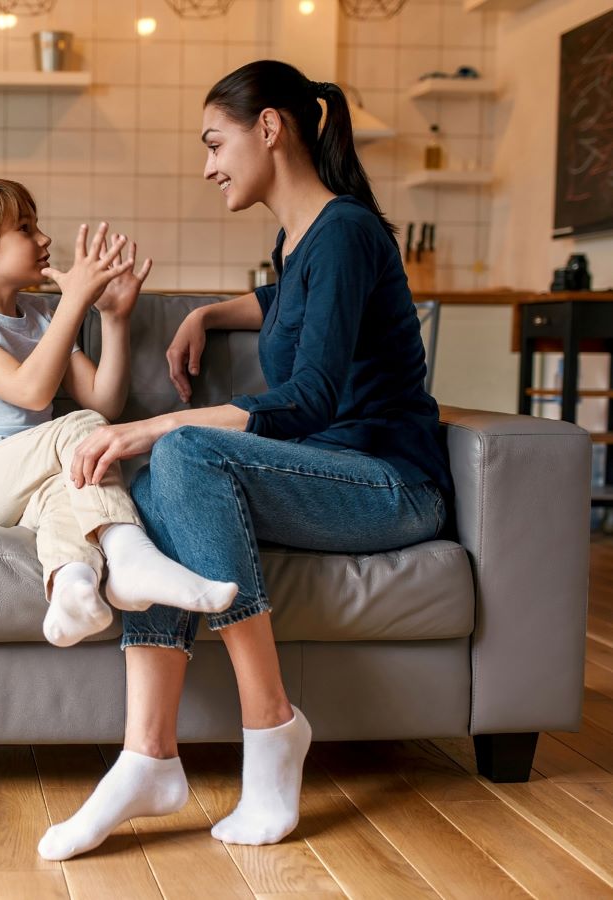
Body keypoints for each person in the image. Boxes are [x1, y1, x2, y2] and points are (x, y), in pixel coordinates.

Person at [40, 60, 452, 861]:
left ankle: (271, 728)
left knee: (181, 447)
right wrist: (209, 311)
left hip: (392, 483)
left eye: (215, 142)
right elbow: (288, 299)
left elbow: (312, 399)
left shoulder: (348, 232)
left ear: (270, 128)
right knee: (168, 475)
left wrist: (152, 423)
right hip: (333, 471)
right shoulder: (302, 238)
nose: (207, 165)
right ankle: (147, 753)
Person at [0, 177, 239, 650]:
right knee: (86, 435)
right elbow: (30, 392)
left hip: (23, 491)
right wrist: (73, 302)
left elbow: (103, 401)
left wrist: (113, 318)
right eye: (25, 229)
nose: (44, 239)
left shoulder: (40, 318)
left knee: (75, 477)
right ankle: (129, 554)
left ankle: (73, 589)